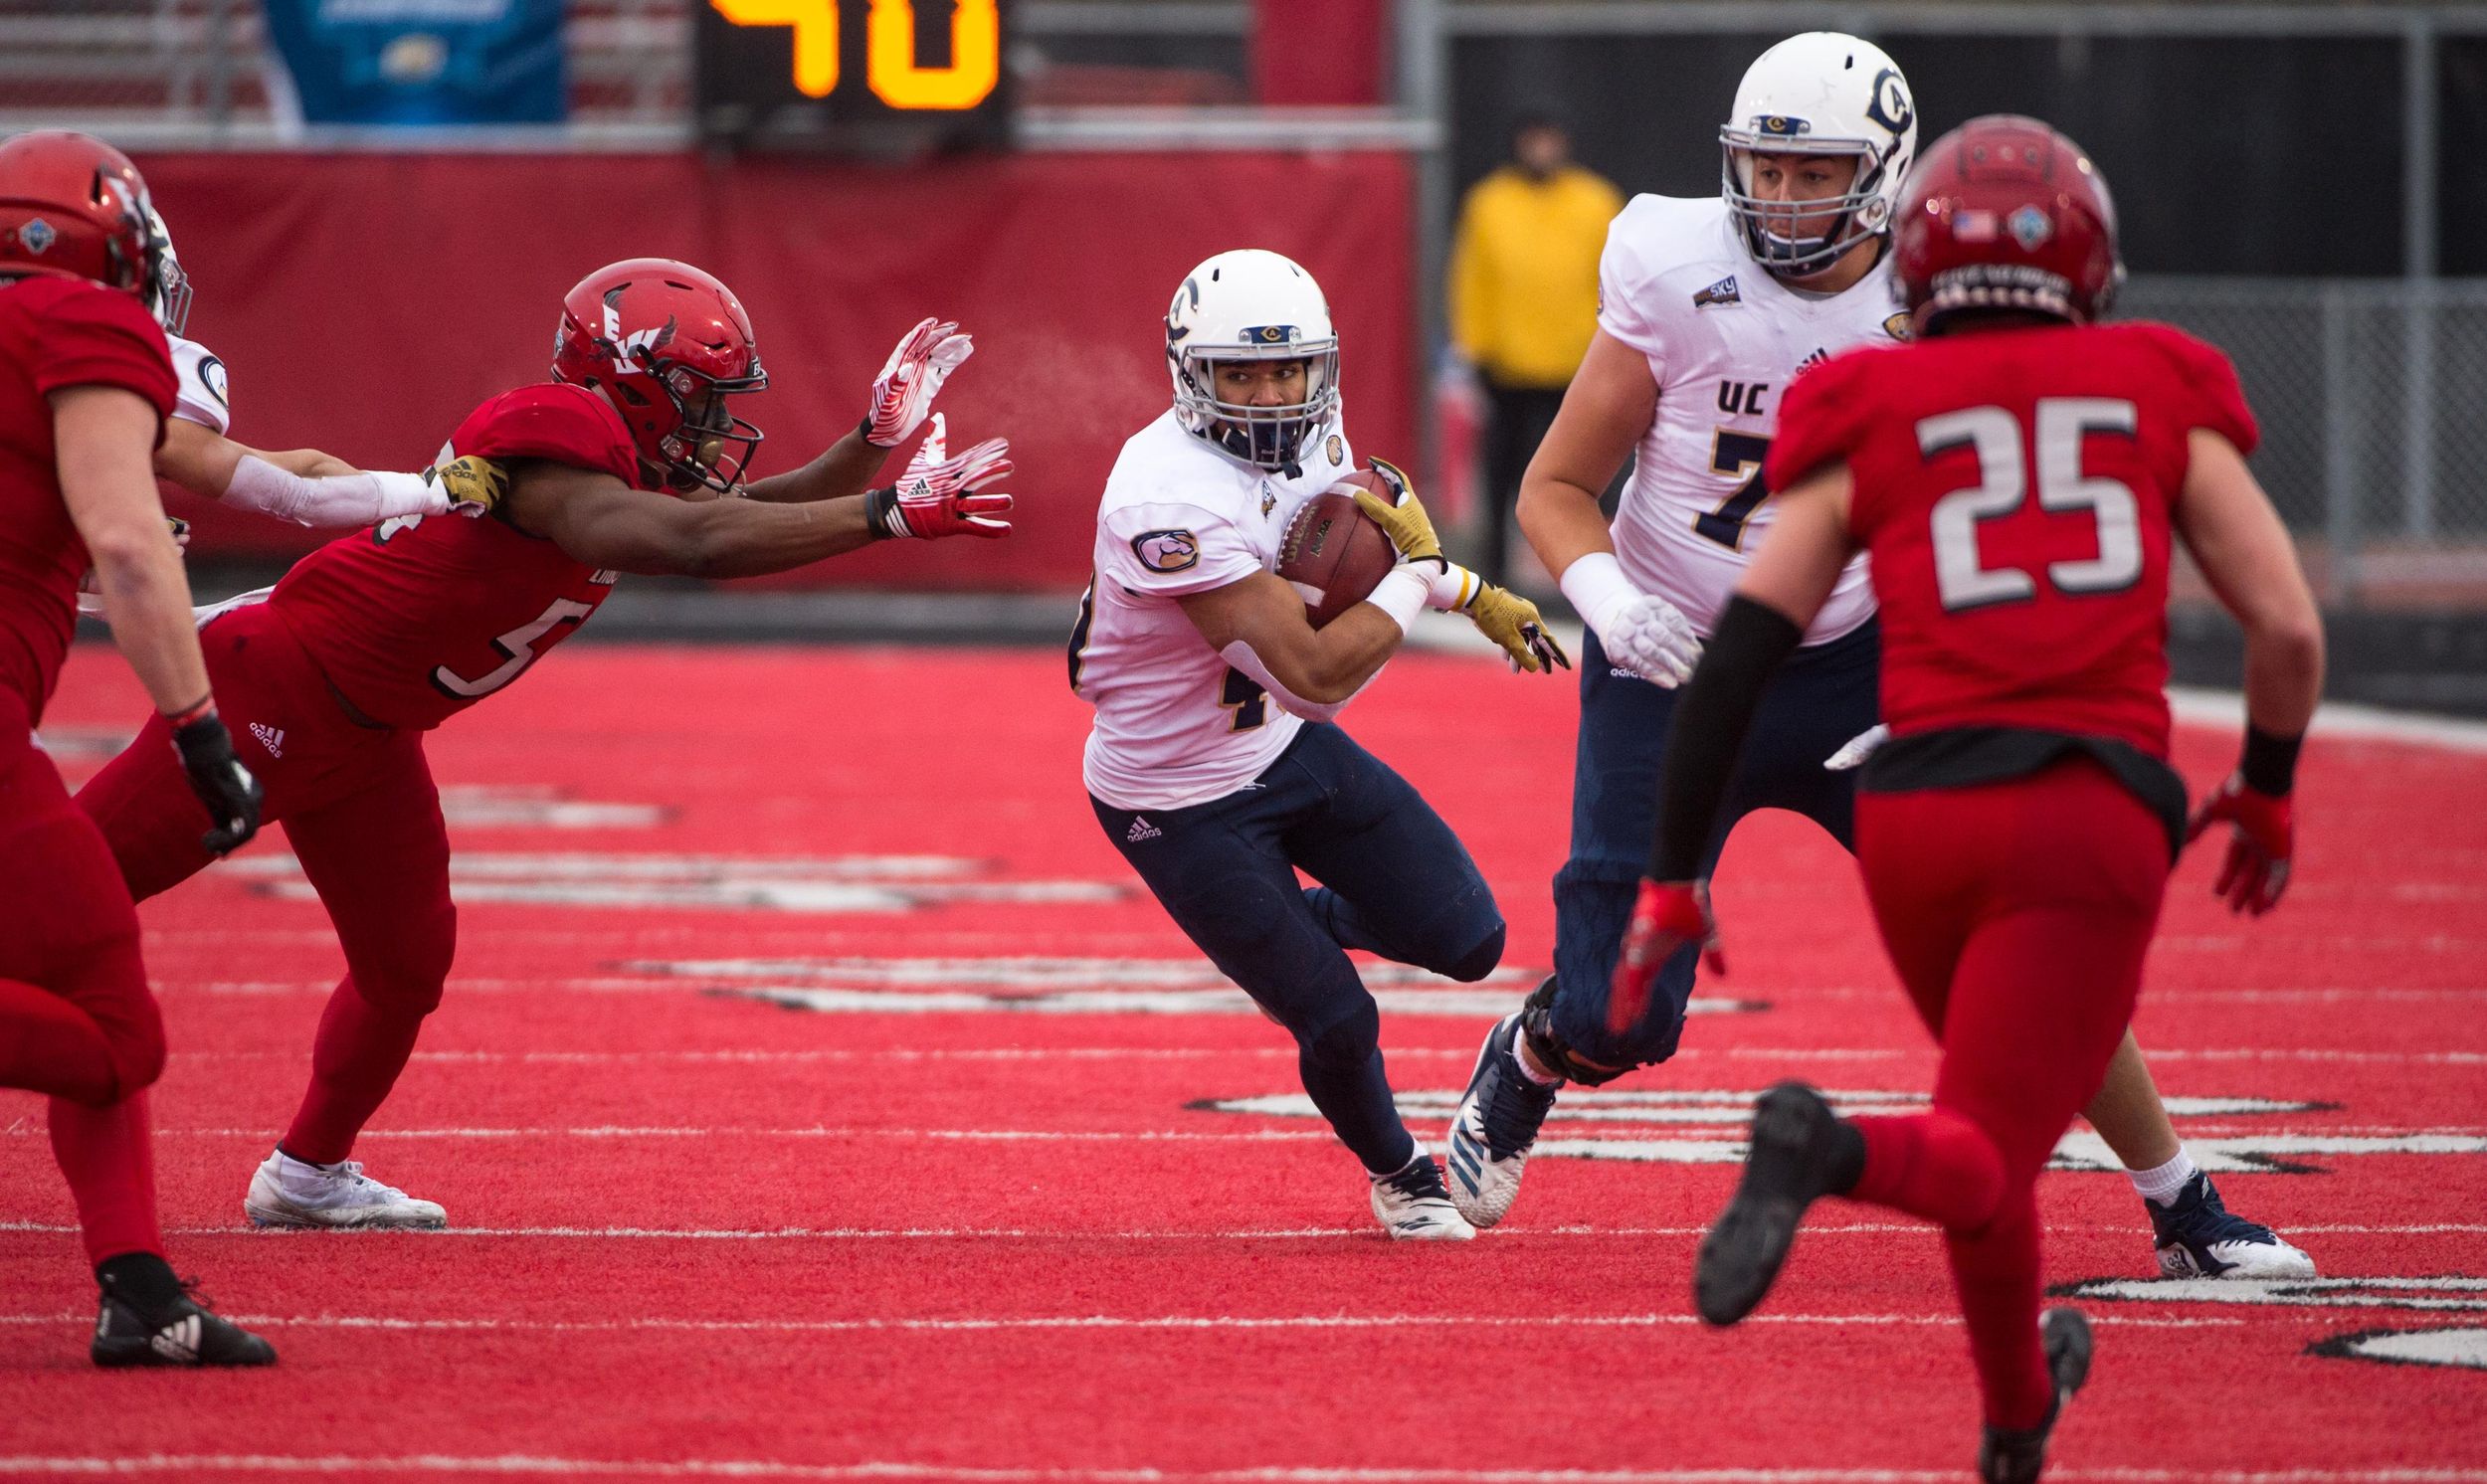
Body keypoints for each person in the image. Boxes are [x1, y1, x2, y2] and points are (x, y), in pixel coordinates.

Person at [1442, 33, 2312, 1283]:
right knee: (1617, 1015)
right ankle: (1530, 1056)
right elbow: (1556, 484)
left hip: (1863, 661)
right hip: (1674, 656)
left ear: (1888, 172)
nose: (1782, 200)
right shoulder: (1671, 260)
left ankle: (2185, 1206)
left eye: (1817, 175)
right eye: (1765, 171)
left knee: (2020, 941)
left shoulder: (1931, 294)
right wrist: (1606, 598)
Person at [1612, 114, 2326, 1481]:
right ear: (2095, 260)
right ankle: (1817, 1147)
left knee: (1986, 1132)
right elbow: (2286, 631)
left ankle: (2014, 1423)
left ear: (1917, 257)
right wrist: (2274, 786)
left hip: (1915, 811)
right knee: (1979, 1149)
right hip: (2085, 803)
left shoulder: (1873, 396)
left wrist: (1665, 878)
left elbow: (1739, 656)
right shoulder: (2158, 376)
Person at [74, 259, 1012, 1230]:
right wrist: (892, 513)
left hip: (365, 731)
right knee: (60, 899)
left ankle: (306, 1172)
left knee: (405, 966)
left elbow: (734, 519)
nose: (706, 423)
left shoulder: (614, 471)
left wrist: (872, 447)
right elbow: (697, 546)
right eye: (695, 396)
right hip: (268, 688)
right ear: (629, 377)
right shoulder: (556, 440)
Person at [1073, 248, 1566, 1239]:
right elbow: (1314, 670)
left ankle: (1298, 919)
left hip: (1276, 750)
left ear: (1317, 368)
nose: (1266, 396)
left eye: (1284, 370)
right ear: (1188, 371)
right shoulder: (1163, 498)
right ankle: (1402, 1174)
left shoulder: (1315, 434)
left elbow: (1363, 546)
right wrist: (1427, 574)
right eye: (1239, 373)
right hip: (1172, 795)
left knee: (1471, 940)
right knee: (1339, 1020)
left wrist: (1468, 592)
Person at [0, 128, 274, 1366]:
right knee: (115, 1028)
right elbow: (127, 540)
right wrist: (197, 728)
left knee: (87, 983)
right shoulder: (81, 323)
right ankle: (140, 1292)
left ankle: (141, 1290)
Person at [1446, 115, 1622, 585]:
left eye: (1550, 139)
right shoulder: (1490, 202)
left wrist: (1611, 345)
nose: (1542, 149)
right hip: (1510, 366)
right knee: (1503, 471)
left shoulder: (1595, 200)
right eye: (1534, 140)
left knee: (1590, 471)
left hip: (1577, 364)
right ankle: (1498, 572)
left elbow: (1613, 277)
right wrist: (1473, 348)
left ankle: (1601, 564)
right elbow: (1473, 277)